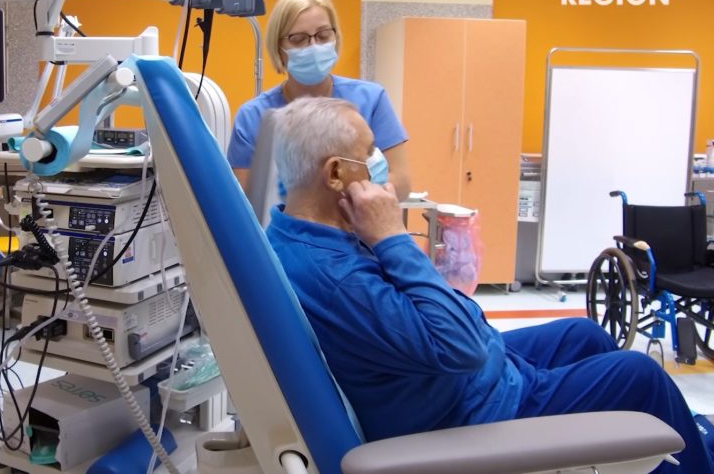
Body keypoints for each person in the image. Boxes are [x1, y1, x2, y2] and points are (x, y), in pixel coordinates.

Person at [264, 96, 713, 473]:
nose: (381, 161)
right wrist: (392, 237)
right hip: (471, 411)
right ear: (335, 174)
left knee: (585, 334)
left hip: (456, 381)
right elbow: (461, 346)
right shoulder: (337, 276)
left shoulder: (292, 234)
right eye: (370, 151)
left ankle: (659, 445)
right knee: (641, 377)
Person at [227, 0, 411, 201]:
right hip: (283, 224)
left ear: (335, 37)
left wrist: (333, 206)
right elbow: (245, 202)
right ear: (278, 48)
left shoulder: (371, 100)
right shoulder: (253, 116)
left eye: (323, 36)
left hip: (360, 222)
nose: (314, 46)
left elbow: (400, 183)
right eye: (298, 39)